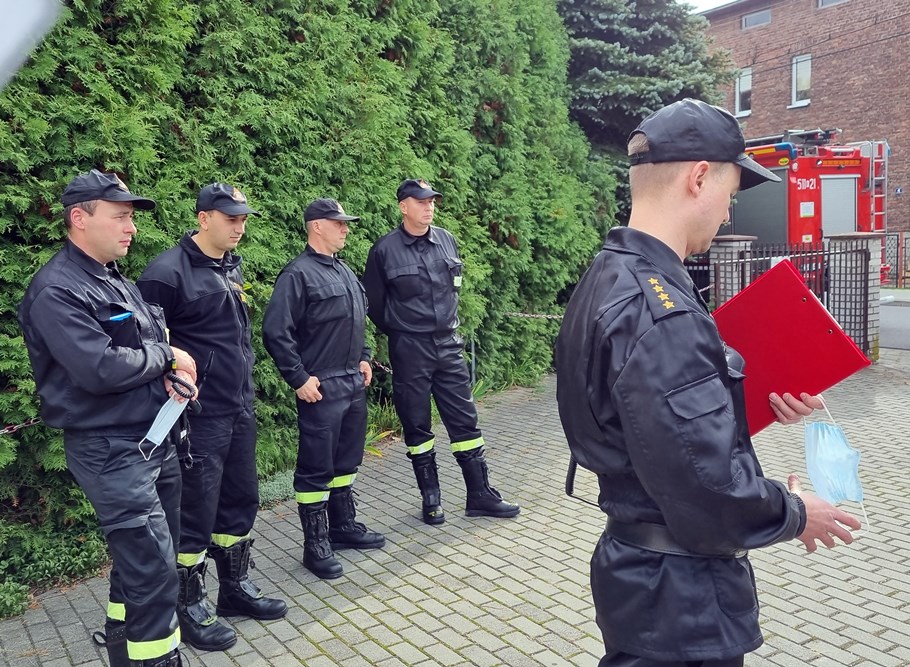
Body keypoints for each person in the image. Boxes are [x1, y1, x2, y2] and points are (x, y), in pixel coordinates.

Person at [555, 98, 863, 667]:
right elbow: (707, 486)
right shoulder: (662, 311)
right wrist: (796, 511)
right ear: (699, 178)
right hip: (680, 599)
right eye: (730, 194)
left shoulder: (608, 275)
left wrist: (751, 398)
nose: (726, 216)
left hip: (643, 581)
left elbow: (644, 420)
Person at [18, 170, 198, 667]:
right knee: (155, 573)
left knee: (147, 560)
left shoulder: (112, 276)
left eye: (131, 218)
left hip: (153, 439)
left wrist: (168, 374)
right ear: (79, 218)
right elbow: (97, 367)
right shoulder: (57, 289)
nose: (131, 228)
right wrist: (167, 357)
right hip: (111, 451)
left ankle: (123, 646)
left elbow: (138, 349)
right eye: (120, 217)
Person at [136, 183, 286, 653]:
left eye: (243, 219)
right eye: (230, 219)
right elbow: (147, 345)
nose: (239, 227)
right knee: (196, 511)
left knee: (240, 499)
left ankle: (234, 589)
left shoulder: (229, 266)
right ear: (203, 218)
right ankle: (188, 604)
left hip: (238, 406)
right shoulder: (166, 274)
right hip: (197, 416)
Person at [362, 179, 519, 524]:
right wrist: (403, 329)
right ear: (403, 207)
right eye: (421, 202)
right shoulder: (384, 250)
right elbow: (375, 304)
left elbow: (452, 291)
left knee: (465, 420)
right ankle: (431, 498)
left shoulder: (446, 239)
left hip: (448, 346)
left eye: (432, 201)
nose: (429, 207)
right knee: (417, 425)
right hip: (410, 349)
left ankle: (480, 494)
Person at [262, 198, 386, 580]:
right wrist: (298, 378)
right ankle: (315, 545)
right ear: (317, 226)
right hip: (321, 387)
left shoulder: (344, 271)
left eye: (346, 223)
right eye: (338, 223)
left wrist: (365, 357)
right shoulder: (297, 275)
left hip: (352, 382)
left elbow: (359, 320)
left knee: (346, 462)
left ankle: (342, 527)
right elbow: (276, 331)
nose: (345, 228)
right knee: (316, 469)